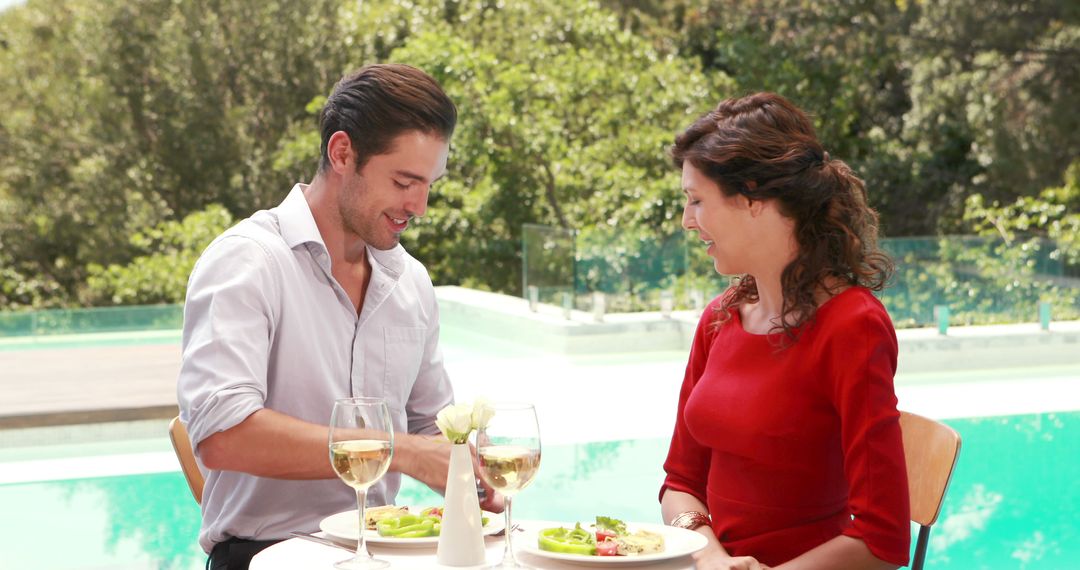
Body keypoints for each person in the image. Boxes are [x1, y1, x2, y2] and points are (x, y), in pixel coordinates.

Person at [177, 64, 500, 570]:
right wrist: (401, 452)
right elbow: (223, 436)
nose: (420, 206)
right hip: (265, 554)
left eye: (429, 184)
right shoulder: (247, 261)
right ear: (343, 152)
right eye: (404, 181)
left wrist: (468, 464)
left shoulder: (410, 281)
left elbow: (430, 428)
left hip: (389, 553)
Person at [659, 92, 910, 570]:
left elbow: (883, 539)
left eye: (696, 200)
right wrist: (712, 557)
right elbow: (680, 483)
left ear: (753, 197)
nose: (688, 221)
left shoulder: (852, 326)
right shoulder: (719, 319)